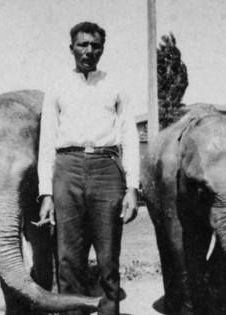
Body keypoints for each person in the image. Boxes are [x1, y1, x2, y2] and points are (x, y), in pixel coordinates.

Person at [37, 21, 140, 315]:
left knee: (109, 258)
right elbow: (46, 145)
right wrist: (46, 194)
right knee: (69, 258)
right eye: (83, 44)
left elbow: (130, 138)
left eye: (95, 45)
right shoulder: (57, 87)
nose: (89, 50)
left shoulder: (116, 85)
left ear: (102, 49)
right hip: (66, 169)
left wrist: (133, 187)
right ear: (71, 48)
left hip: (107, 169)